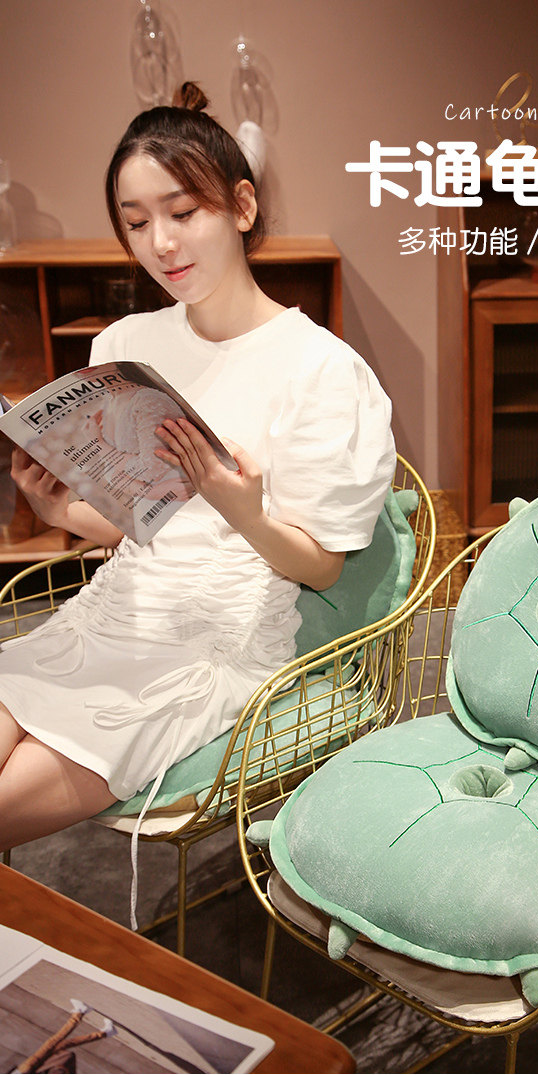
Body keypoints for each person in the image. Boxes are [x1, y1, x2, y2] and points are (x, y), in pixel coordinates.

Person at [0, 83, 396, 891]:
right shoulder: (127, 343)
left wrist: (242, 510)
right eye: (137, 221)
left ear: (241, 206)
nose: (161, 243)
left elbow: (321, 566)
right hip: (115, 611)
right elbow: (134, 521)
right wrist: (56, 507)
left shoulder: (322, 369)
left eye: (183, 212)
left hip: (212, 640)